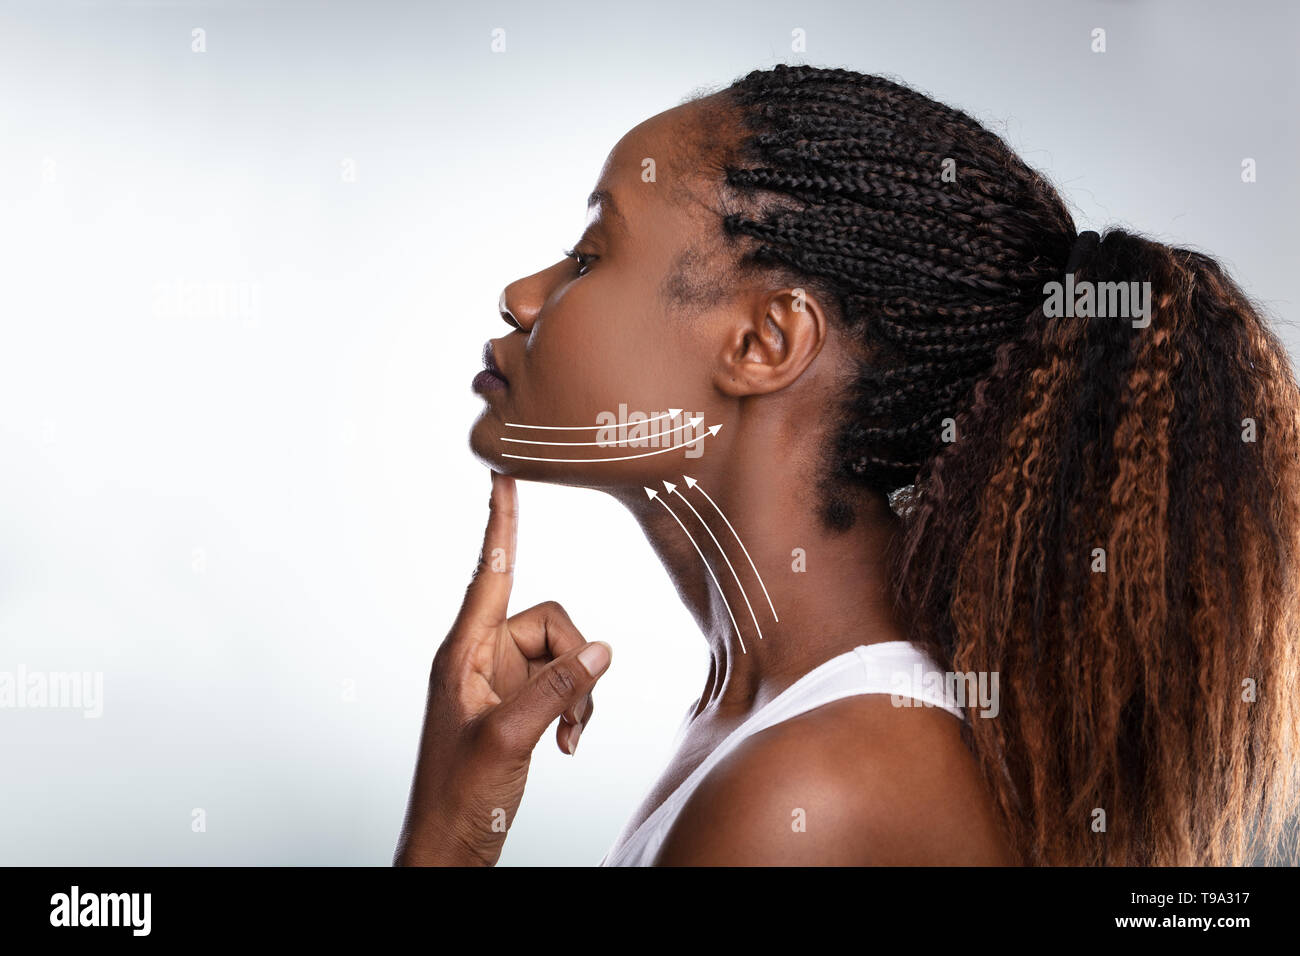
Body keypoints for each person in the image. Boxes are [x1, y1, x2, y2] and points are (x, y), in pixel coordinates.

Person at [394, 65, 1300, 867]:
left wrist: (442, 840)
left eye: (590, 256)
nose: (520, 298)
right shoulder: (777, 727)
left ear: (766, 341)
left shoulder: (815, 794)